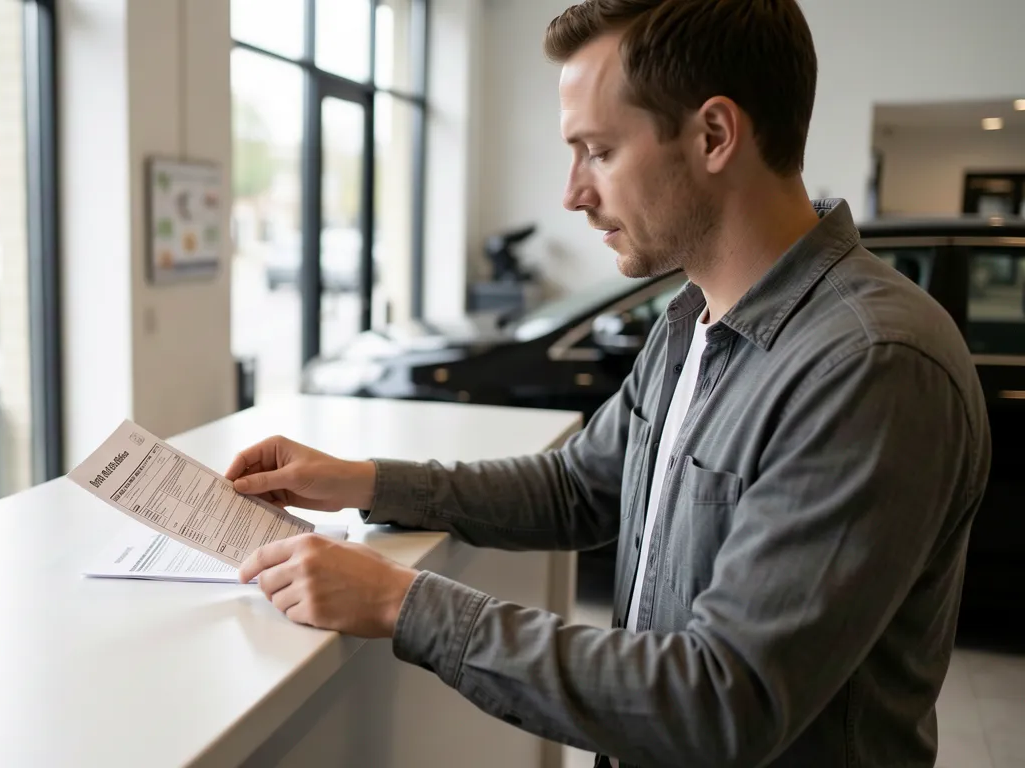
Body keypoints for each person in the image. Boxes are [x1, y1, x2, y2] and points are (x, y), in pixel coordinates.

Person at [224, 0, 991, 765]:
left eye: (597, 151)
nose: (573, 193)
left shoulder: (870, 365)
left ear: (715, 135)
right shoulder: (690, 321)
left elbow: (724, 700)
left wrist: (401, 602)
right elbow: (579, 488)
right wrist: (358, 482)